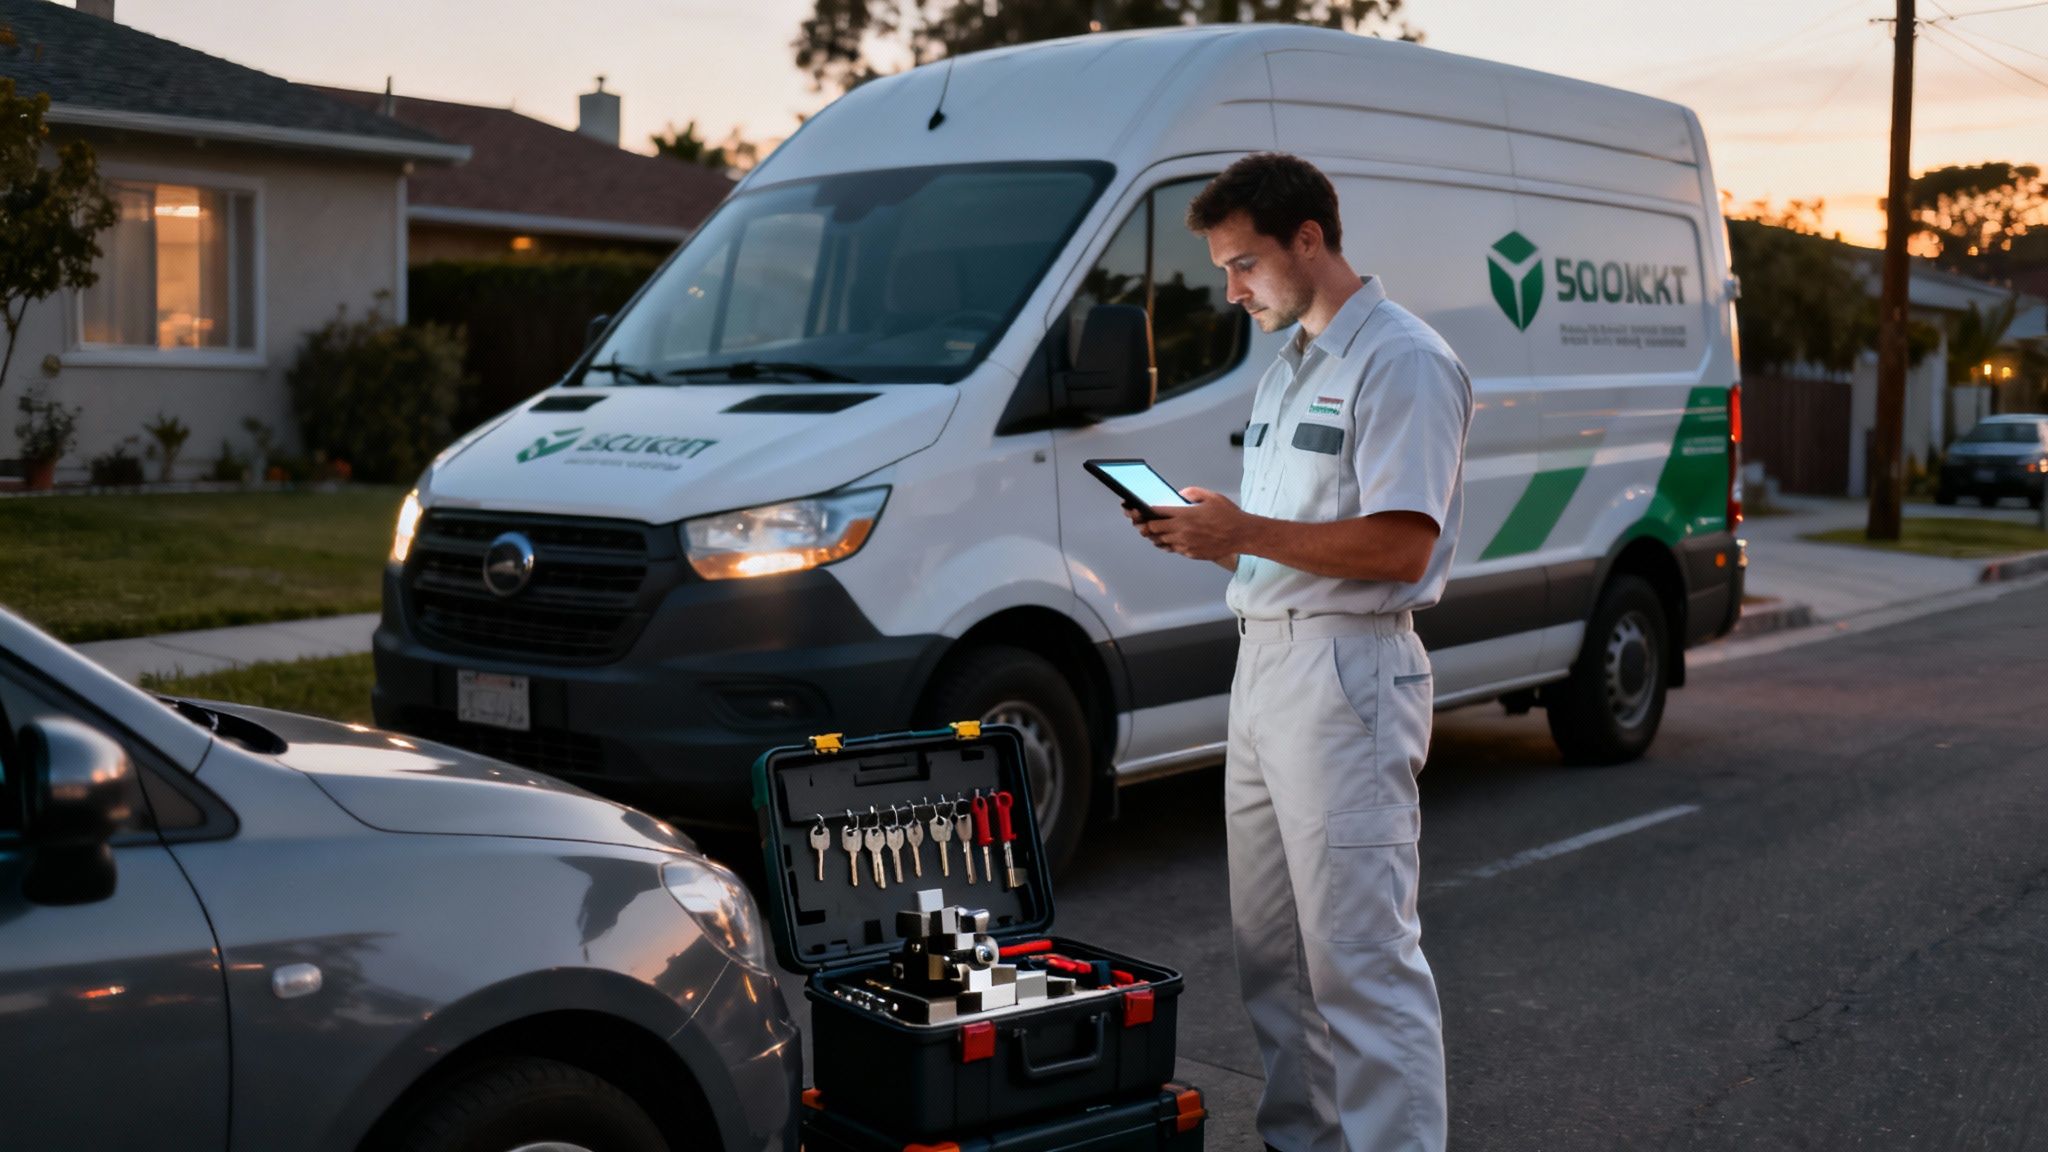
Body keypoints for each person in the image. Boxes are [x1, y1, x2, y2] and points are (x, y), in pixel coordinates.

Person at [1127, 152, 1472, 1152]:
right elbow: (1293, 531)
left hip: (1347, 674)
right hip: (1267, 667)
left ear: (1308, 241)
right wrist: (1217, 531)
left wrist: (1241, 535)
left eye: (1242, 266)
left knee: (1359, 963)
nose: (1231, 291)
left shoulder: (1400, 361)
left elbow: (1401, 544)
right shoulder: (1289, 367)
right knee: (1271, 957)